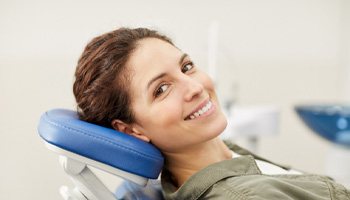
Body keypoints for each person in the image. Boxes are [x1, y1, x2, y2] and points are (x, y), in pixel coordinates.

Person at [73, 27, 350, 200]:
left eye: (187, 67)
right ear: (132, 130)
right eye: (162, 89)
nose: (194, 87)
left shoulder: (224, 155)